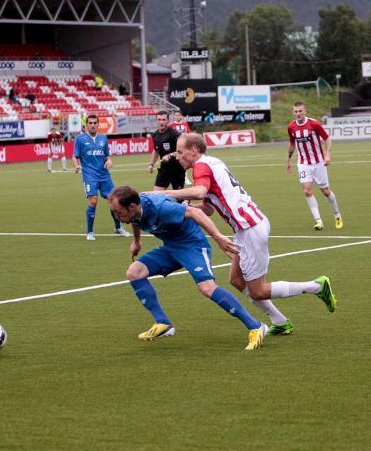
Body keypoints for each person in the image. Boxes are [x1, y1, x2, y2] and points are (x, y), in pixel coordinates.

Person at [159, 133, 338, 335]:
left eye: (180, 152)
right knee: (236, 279)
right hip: (247, 226)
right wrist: (184, 210)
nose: (178, 157)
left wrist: (165, 194)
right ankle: (280, 321)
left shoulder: (201, 165)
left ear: (193, 150)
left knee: (258, 291)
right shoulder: (212, 162)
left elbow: (199, 191)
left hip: (249, 227)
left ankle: (316, 286)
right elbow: (208, 208)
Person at [108, 186, 268, 350]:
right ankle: (163, 324)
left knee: (207, 288)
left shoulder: (160, 208)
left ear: (132, 206)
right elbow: (136, 220)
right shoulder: (134, 211)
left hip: (193, 246)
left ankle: (256, 326)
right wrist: (136, 241)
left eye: (118, 212)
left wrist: (218, 237)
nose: (117, 217)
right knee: (135, 272)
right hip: (171, 248)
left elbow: (194, 212)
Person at [72, 114, 131, 241]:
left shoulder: (103, 138)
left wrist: (109, 160)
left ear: (98, 124)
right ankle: (90, 232)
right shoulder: (80, 139)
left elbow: (106, 155)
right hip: (89, 176)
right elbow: (75, 156)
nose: (93, 125)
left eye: (95, 123)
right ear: (86, 125)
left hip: (104, 175)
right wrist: (76, 165)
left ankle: (118, 228)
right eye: (90, 123)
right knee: (93, 201)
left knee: (115, 201)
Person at [287, 101, 343, 231]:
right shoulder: (291, 127)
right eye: (296, 111)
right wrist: (288, 160)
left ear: (305, 111)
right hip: (303, 164)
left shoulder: (314, 124)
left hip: (318, 163)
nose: (298, 113)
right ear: (293, 112)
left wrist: (327, 155)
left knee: (326, 192)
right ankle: (318, 221)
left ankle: (337, 215)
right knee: (307, 191)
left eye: (300, 111)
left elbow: (327, 139)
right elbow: (292, 144)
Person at [148, 111, 185, 191]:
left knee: (178, 196)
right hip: (164, 169)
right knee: (156, 194)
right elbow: (156, 150)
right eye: (159, 120)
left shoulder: (174, 134)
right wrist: (151, 164)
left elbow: (182, 150)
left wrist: (170, 155)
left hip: (177, 169)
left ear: (168, 120)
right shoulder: (155, 135)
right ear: (156, 120)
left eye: (164, 120)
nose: (161, 122)